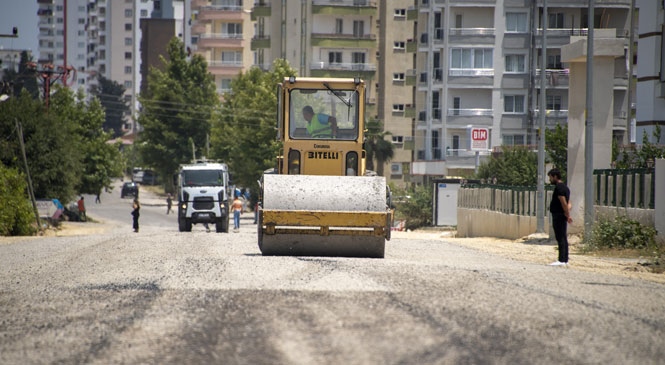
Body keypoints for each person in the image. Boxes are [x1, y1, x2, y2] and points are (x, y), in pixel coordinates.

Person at [548, 168, 572, 266]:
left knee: (560, 237)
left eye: (550, 177)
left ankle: (562, 260)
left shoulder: (559, 188)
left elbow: (563, 202)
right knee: (563, 237)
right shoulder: (566, 188)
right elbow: (569, 203)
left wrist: (567, 214)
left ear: (555, 177)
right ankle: (564, 259)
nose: (550, 180)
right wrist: (567, 212)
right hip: (562, 214)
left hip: (558, 215)